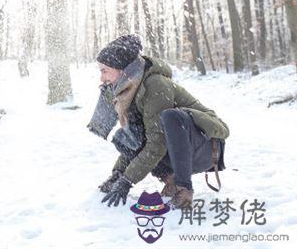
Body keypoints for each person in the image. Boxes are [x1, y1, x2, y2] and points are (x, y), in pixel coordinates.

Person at [87, 34, 229, 209]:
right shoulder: (129, 89)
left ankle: (184, 190)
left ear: (122, 69)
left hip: (207, 148)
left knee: (170, 117)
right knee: (123, 136)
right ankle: (171, 180)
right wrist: (118, 173)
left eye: (104, 71)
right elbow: (135, 140)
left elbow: (157, 144)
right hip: (182, 149)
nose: (102, 78)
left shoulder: (154, 85)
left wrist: (127, 180)